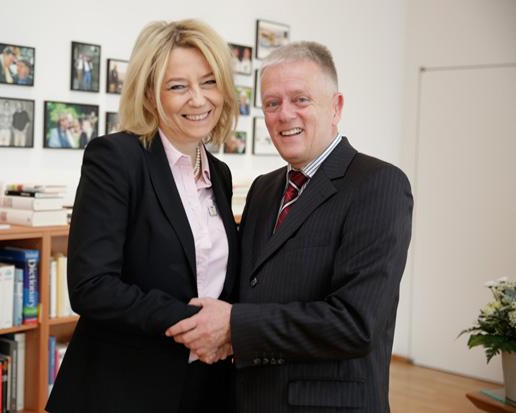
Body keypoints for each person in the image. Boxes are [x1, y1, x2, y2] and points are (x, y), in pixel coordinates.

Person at [166, 41, 414, 412]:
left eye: (300, 99)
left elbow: (355, 323)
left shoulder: (378, 184)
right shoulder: (264, 189)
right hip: (249, 398)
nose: (284, 115)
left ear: (336, 107)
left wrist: (234, 325)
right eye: (272, 103)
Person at [46, 19, 239, 413]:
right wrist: (196, 324)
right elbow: (91, 285)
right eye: (178, 86)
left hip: (202, 385)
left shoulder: (219, 174)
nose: (198, 100)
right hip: (122, 388)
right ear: (151, 96)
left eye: (209, 82)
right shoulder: (117, 159)